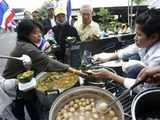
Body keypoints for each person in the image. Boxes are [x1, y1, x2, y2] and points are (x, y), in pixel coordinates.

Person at [2, 19, 81, 120]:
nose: (39, 35)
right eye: (35, 33)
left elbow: (39, 57)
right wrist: (75, 71)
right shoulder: (27, 48)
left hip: (24, 84)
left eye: (39, 32)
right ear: (25, 34)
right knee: (19, 113)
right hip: (13, 88)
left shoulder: (23, 43)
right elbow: (49, 63)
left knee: (31, 108)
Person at [93, 8, 160, 90]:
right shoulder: (146, 43)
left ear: (154, 37)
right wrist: (106, 59)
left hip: (154, 91)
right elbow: (128, 51)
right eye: (135, 33)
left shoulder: (157, 57)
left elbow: (143, 89)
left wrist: (111, 75)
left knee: (134, 70)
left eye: (139, 35)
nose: (135, 38)